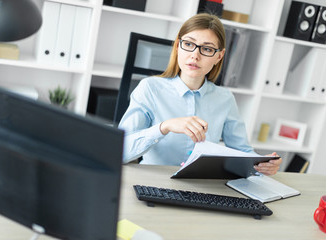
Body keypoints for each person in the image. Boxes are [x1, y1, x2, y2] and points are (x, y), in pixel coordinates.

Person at [118, 13, 282, 176]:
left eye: (207, 49)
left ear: (219, 56)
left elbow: (242, 151)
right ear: (177, 46)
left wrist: (262, 163)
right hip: (154, 183)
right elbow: (120, 151)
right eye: (189, 44)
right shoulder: (150, 88)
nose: (195, 55)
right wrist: (164, 127)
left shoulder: (225, 98)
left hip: (202, 186)